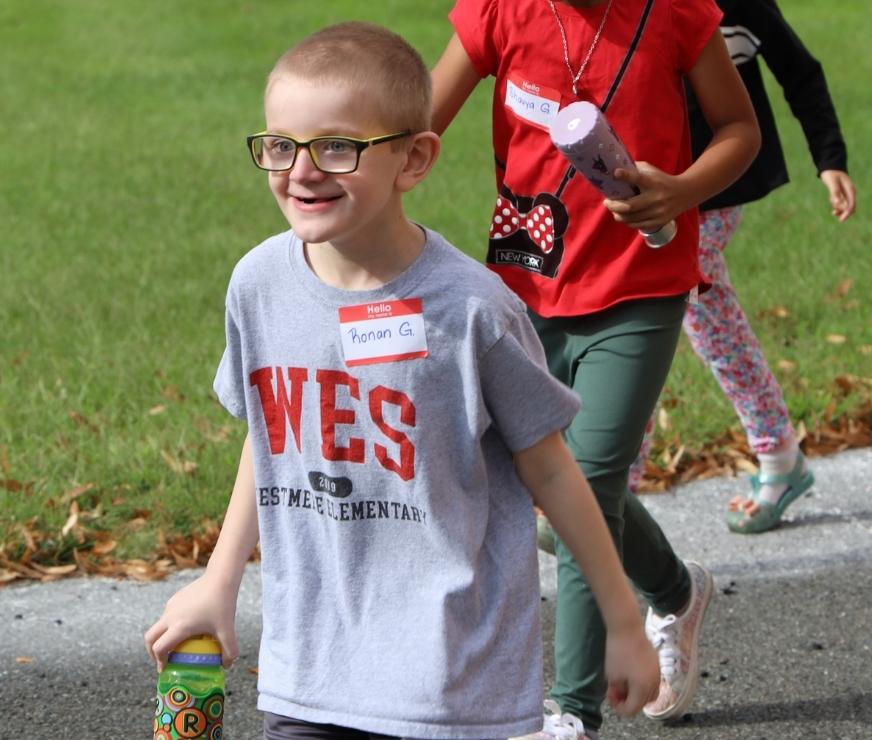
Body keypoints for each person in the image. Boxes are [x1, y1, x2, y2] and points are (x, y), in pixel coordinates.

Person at [144, 21, 660, 740]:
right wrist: (218, 581)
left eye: (336, 147)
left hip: (450, 683)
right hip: (311, 672)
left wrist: (622, 620)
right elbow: (273, 434)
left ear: (414, 159)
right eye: (281, 145)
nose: (302, 170)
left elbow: (552, 471)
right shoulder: (258, 284)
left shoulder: (474, 310)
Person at [430, 0, 760, 735]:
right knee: (556, 488)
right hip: (524, 293)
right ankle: (674, 592)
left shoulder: (679, 11)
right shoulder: (500, 10)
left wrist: (682, 187)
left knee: (585, 487)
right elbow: (416, 126)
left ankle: (571, 712)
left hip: (640, 288)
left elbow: (740, 131)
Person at [628, 0, 858, 534]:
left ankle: (615, 482)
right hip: (647, 188)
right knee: (676, 314)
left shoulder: (742, 4)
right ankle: (777, 454)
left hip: (717, 191)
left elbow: (800, 72)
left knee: (659, 310)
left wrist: (831, 160)